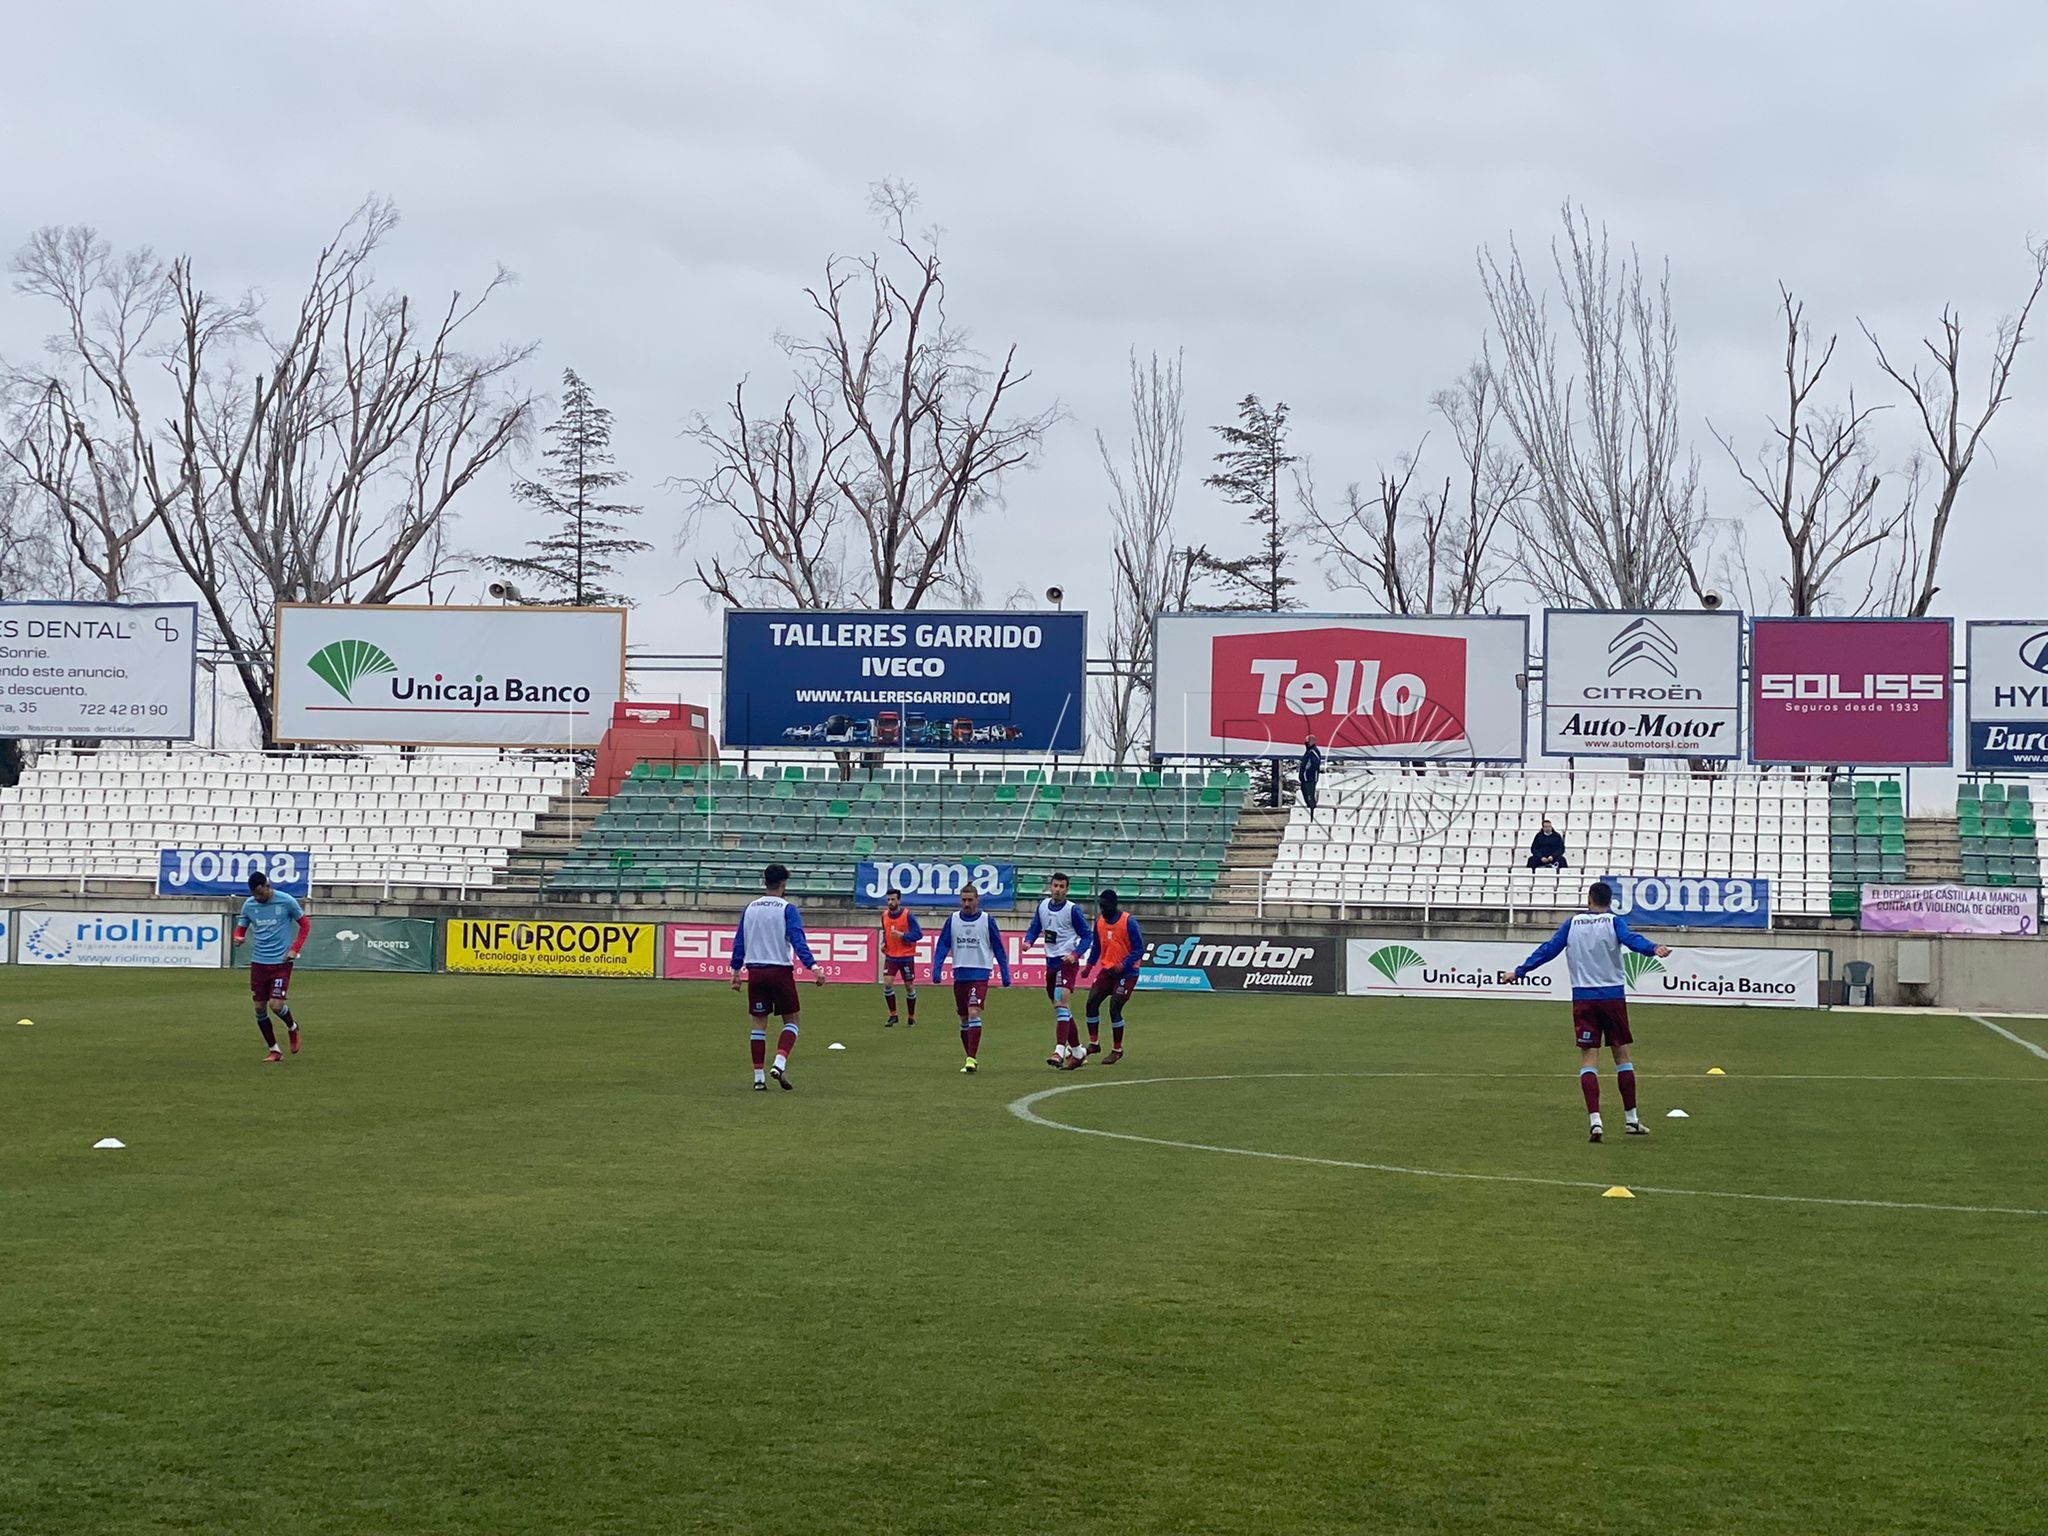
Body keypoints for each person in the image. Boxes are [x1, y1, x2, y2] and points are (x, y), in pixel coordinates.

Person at [1513, 881, 1672, 1142]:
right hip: (1612, 997)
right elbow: (1632, 940)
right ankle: (1631, 1119)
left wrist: (1520, 971)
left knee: (1589, 1059)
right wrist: (1653, 949)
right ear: (1610, 902)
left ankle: (1595, 1121)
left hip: (1583, 998)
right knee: (1622, 1055)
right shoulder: (1614, 921)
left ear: (1589, 899)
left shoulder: (1572, 924)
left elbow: (1548, 951)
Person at [729, 863, 821, 1091]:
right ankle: (779, 1063)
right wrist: (814, 967)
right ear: (783, 884)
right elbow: (798, 941)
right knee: (792, 1020)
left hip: (756, 971)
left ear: (765, 882)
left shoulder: (750, 908)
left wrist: (735, 970)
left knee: (758, 1024)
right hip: (779, 970)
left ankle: (758, 1078)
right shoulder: (787, 908)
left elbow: (740, 940)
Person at [232, 871, 310, 1063]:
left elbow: (305, 925)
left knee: (276, 1005)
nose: (258, 898)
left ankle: (292, 1027)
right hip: (259, 962)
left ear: (268, 886)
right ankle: (274, 1050)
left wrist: (294, 949)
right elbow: (242, 926)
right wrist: (238, 937)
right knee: (259, 1008)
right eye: (254, 895)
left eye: (260, 893)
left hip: (281, 962)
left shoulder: (286, 901)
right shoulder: (249, 905)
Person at [931, 885, 1010, 1074]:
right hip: (960, 975)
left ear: (977, 900)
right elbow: (943, 944)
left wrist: (1005, 972)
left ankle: (971, 1058)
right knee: (963, 1018)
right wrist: (937, 967)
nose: (966, 903)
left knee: (974, 1011)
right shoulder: (953, 920)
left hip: (980, 974)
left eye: (970, 900)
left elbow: (998, 947)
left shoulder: (986, 920)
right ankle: (969, 1056)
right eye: (963, 900)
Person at [1025, 872, 1094, 1071]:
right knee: (1061, 1008)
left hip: (1067, 963)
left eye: (1061, 886)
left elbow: (1087, 936)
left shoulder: (1072, 910)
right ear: (1051, 886)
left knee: (1061, 1003)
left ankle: (1059, 1051)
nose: (1057, 889)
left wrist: (1075, 954)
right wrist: (1029, 940)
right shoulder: (1043, 906)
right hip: (1051, 964)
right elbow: (1034, 927)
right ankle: (1079, 1052)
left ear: (1067, 889)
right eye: (1055, 885)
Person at [1083, 888, 1144, 1064]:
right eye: (1101, 906)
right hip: (1108, 971)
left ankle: (1117, 1049)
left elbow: (1139, 949)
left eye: (1105, 906)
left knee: (1114, 1007)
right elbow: (1096, 947)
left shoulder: (1128, 922)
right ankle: (1094, 1043)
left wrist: (1123, 964)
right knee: (1091, 1003)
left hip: (1127, 972)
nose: (1102, 910)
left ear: (1114, 905)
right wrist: (1089, 966)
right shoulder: (1100, 922)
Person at [879, 887, 923, 1028]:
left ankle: (911, 1017)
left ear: (899, 900)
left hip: (906, 957)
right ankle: (893, 1015)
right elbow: (886, 933)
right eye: (889, 900)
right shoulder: (884, 915)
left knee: (909, 986)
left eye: (893, 899)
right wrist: (884, 944)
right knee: (887, 984)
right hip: (891, 956)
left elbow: (918, 934)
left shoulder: (908, 915)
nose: (890, 902)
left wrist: (903, 936)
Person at [1298, 732, 1324, 812]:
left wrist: (1306, 775)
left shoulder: (1313, 752)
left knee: (1310, 797)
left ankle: (1313, 813)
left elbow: (1313, 765)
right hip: (1305, 779)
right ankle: (1309, 811)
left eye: (1306, 741)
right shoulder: (1308, 751)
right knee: (1305, 795)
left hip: (1310, 779)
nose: (1305, 743)